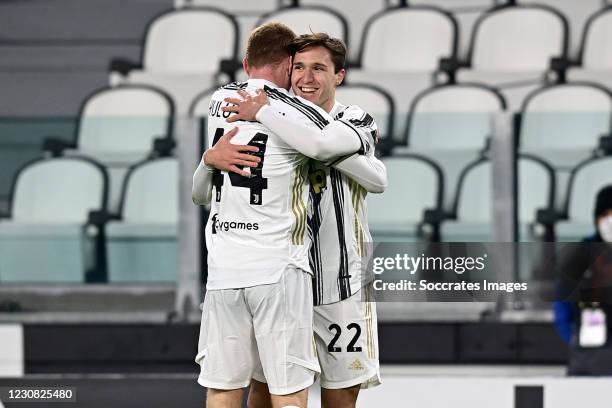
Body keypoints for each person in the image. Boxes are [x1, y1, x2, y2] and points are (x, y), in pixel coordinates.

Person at [192, 24, 380, 408]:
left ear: (338, 76)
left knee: (341, 393)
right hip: (285, 272)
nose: (306, 78)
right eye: (299, 68)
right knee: (268, 387)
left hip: (338, 279)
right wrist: (209, 160)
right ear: (287, 69)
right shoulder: (279, 113)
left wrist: (264, 113)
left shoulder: (352, 118)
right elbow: (204, 190)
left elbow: (377, 178)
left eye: (319, 69)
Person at [554, 185, 612, 375]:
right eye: (604, 215)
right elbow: (561, 301)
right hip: (587, 359)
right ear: (596, 219)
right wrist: (572, 336)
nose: (609, 221)